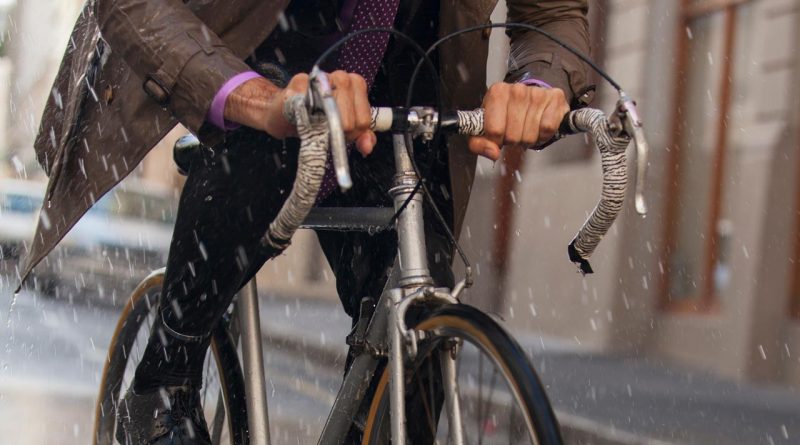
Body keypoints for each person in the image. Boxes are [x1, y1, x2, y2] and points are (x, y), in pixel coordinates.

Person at [22, 0, 593, 443]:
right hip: (249, 50)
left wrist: (540, 85)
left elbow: (550, 14)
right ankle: (164, 378)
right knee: (257, 147)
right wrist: (253, 98)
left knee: (406, 366)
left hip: (408, 67)